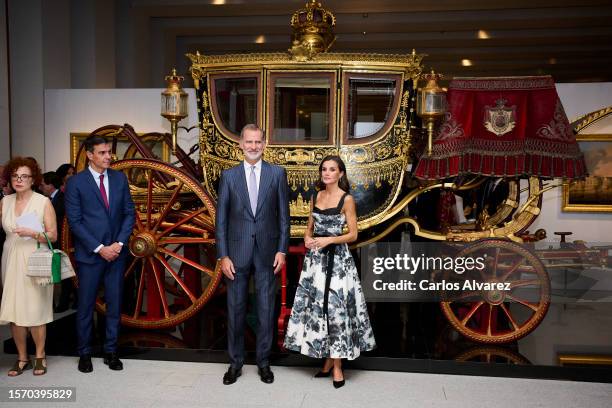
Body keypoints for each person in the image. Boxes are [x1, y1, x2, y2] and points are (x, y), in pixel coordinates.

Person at [283, 155, 376, 388]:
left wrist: (329, 241)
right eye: (324, 169)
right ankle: (326, 360)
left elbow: (353, 234)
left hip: (338, 263)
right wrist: (307, 238)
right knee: (319, 309)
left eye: (332, 169)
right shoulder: (316, 195)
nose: (327, 173)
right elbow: (309, 227)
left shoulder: (347, 200)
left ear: (341, 173)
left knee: (336, 312)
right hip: (316, 263)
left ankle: (337, 367)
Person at [216, 124, 290, 385]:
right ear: (241, 144)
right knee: (235, 310)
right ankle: (235, 364)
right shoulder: (228, 176)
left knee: (266, 309)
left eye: (258, 142)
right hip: (236, 254)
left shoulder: (278, 174)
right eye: (249, 142)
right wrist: (222, 256)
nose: (254, 147)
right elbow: (221, 220)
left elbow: (284, 217)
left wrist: (282, 249)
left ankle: (264, 363)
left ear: (265, 144)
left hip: (269, 254)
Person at [65, 135, 135, 373]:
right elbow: (75, 222)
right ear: (90, 155)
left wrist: (118, 244)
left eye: (109, 152)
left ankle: (111, 351)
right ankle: (84, 353)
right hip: (90, 256)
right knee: (85, 306)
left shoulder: (119, 179)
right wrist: (99, 248)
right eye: (103, 153)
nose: (108, 157)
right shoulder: (76, 183)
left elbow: (129, 214)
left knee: (115, 306)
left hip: (116, 254)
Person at [0, 157, 58, 376]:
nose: (19, 180)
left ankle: (40, 356)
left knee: (35, 308)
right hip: (10, 257)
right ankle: (22, 357)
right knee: (14, 310)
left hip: (35, 257)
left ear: (33, 179)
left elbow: (53, 235)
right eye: (15, 176)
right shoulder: (5, 202)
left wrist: (33, 233)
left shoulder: (43, 202)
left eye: (24, 176)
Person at [40, 171, 73, 313]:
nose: (40, 187)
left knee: (64, 274)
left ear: (50, 185)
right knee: (58, 273)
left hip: (61, 242)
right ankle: (58, 303)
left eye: (43, 184)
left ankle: (64, 303)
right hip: (54, 242)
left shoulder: (62, 199)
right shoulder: (51, 198)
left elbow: (61, 222)